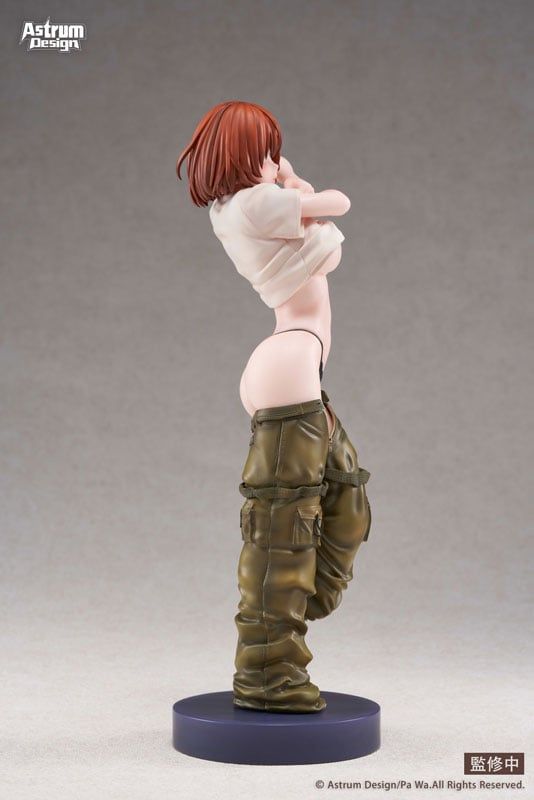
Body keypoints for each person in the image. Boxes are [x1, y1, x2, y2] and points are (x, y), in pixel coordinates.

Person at [177, 100, 372, 713]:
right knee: (284, 532)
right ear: (243, 155)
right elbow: (337, 204)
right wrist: (290, 180)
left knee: (346, 499)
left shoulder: (241, 207)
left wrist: (287, 182)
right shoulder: (253, 203)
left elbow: (312, 224)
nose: (274, 159)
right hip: (288, 363)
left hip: (295, 361)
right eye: (265, 149)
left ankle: (290, 609)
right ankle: (268, 672)